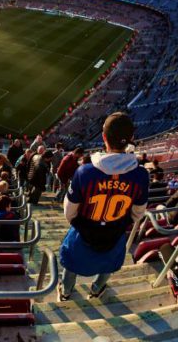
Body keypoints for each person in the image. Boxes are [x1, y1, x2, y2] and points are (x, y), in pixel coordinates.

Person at [58, 112, 149, 301]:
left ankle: (66, 292)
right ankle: (96, 289)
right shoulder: (141, 175)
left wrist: (84, 223)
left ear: (104, 137)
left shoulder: (85, 172)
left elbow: (70, 211)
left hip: (84, 234)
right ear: (131, 139)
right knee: (108, 264)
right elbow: (138, 213)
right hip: (115, 234)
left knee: (72, 264)